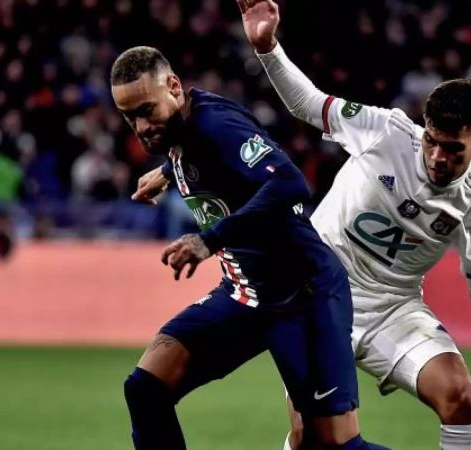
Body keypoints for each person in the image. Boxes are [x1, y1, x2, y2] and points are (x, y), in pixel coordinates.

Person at [208, 1, 471, 449]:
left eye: (454, 149)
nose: (437, 157)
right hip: (316, 292)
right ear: (423, 127)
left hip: (392, 308)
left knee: (461, 399)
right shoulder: (386, 131)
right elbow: (309, 104)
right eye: (432, 141)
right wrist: (267, 47)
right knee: (312, 440)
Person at [110, 46, 389, 450]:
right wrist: (171, 171)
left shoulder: (217, 124)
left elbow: (289, 183)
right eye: (128, 116)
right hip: (246, 295)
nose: (140, 126)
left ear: (173, 87)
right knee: (146, 388)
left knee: (331, 445)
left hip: (302, 295)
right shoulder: (181, 129)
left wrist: (210, 240)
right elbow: (209, 157)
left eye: (146, 110)